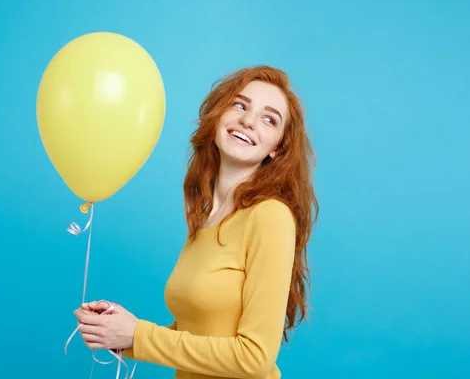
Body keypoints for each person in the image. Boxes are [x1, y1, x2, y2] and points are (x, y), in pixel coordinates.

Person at [74, 65, 319, 378]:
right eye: (240, 105)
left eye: (269, 119)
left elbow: (255, 357)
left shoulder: (270, 216)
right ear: (218, 115)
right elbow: (196, 332)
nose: (248, 121)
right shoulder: (205, 218)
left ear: (277, 148)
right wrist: (116, 332)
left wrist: (138, 334)